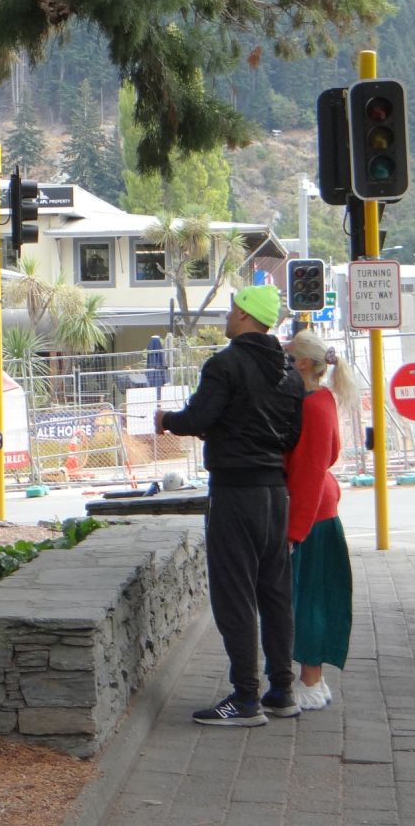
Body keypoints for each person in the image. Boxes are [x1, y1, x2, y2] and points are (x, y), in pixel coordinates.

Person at [155, 283, 303, 727]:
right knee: (275, 593)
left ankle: (244, 699)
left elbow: (198, 418)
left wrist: (167, 421)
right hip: (275, 494)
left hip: (235, 493)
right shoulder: (290, 373)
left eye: (232, 308)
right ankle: (282, 689)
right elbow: (291, 436)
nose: (227, 314)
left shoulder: (225, 364)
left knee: (234, 594)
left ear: (244, 316)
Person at [281, 329, 356, 711]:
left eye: (289, 355)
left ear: (305, 363)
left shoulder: (310, 406)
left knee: (307, 599)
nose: (284, 360)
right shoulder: (323, 400)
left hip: (310, 515)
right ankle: (315, 678)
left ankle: (309, 680)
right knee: (319, 596)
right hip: (322, 509)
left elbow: (309, 470)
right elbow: (328, 456)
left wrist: (295, 530)